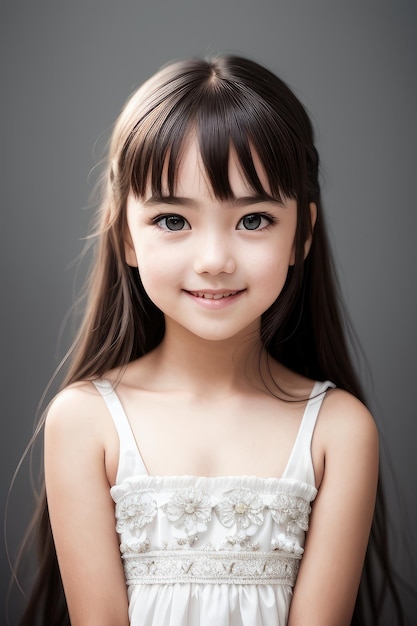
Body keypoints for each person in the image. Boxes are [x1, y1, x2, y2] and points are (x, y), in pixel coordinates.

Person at [17, 54, 404, 625]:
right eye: (173, 220)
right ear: (126, 236)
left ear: (302, 236)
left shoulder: (338, 431)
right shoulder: (84, 421)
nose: (215, 261)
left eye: (254, 220)